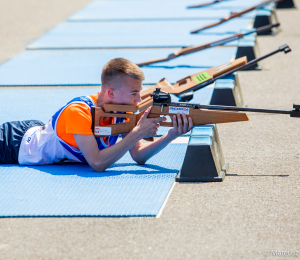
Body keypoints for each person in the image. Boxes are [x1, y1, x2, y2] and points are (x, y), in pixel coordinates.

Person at [0, 58, 193, 171]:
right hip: (15, 144)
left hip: (37, 131)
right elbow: (97, 163)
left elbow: (139, 156)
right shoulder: (79, 111)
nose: (137, 101)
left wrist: (171, 135)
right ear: (111, 93)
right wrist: (137, 132)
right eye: (134, 94)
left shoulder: (121, 111)